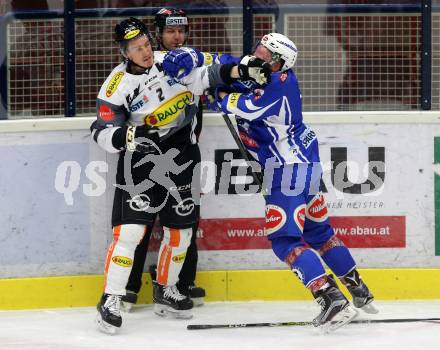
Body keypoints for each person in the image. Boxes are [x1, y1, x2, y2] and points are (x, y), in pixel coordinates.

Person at [164, 32, 378, 333]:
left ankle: (330, 298)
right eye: (259, 48)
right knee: (318, 232)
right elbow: (219, 63)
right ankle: (359, 290)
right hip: (304, 167)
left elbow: (243, 105)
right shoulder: (258, 70)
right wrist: (192, 57)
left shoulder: (281, 85)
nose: (257, 55)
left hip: (286, 172)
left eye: (265, 53)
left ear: (279, 63)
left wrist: (218, 95)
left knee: (285, 240)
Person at [91, 17, 270, 334]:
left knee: (181, 232)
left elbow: (210, 74)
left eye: (146, 44)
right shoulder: (115, 86)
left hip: (182, 158)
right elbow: (102, 133)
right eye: (137, 49)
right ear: (124, 52)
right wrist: (134, 134)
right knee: (130, 233)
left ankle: (166, 289)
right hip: (141, 164)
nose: (145, 52)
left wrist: (242, 70)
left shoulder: (171, 62)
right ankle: (111, 299)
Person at [122, 7, 206, 312]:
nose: (177, 36)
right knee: (141, 220)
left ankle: (180, 282)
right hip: (148, 154)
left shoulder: (193, 62)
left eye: (181, 30)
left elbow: (215, 69)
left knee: (186, 219)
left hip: (185, 153)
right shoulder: (149, 65)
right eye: (170, 31)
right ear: (158, 33)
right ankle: (129, 286)